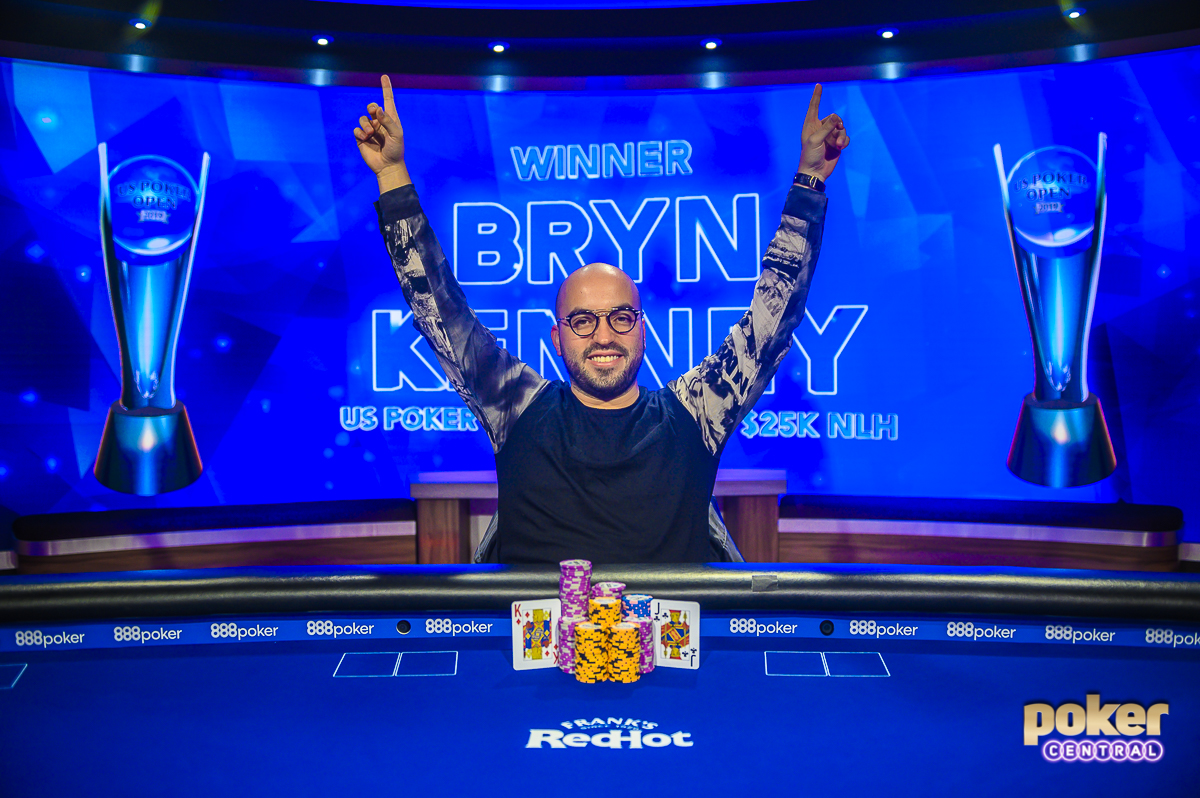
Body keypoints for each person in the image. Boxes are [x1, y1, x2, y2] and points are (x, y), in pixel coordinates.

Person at [355, 76, 849, 564]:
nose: (605, 335)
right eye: (584, 321)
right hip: (537, 644)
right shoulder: (515, 406)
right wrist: (392, 176)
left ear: (642, 329)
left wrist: (810, 183)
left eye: (620, 317)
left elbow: (771, 320)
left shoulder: (696, 414)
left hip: (670, 642)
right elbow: (441, 310)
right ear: (557, 337)